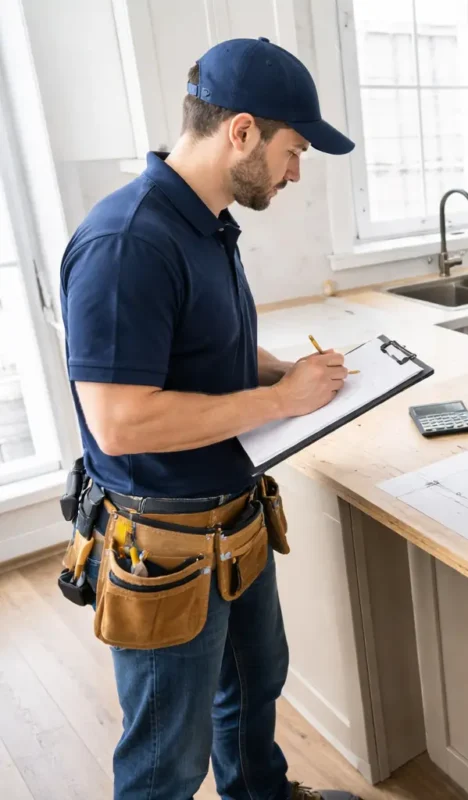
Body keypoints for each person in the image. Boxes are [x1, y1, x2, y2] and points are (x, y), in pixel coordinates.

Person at [58, 37, 360, 800]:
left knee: (254, 692)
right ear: (243, 131)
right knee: (166, 760)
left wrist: (283, 373)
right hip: (166, 549)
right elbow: (121, 422)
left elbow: (207, 350)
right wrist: (281, 402)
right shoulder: (128, 242)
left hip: (236, 520)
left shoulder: (206, 222)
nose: (296, 172)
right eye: (295, 150)